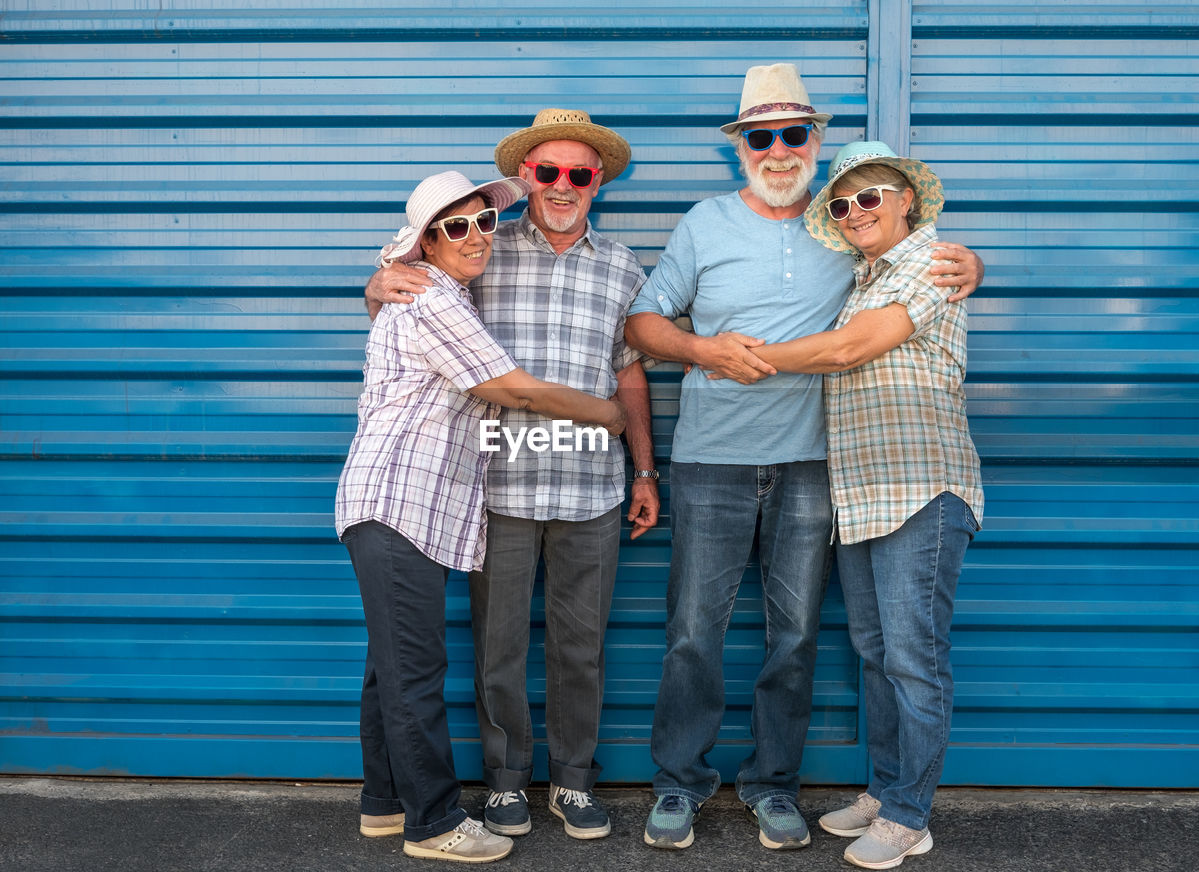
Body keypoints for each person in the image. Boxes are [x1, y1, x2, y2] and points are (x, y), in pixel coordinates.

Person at [623, 64, 984, 852]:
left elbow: (898, 299)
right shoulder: (706, 222)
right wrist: (702, 348)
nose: (779, 150)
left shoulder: (844, 234)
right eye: (762, 136)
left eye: (794, 134)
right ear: (742, 147)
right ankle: (679, 783)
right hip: (711, 461)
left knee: (796, 636)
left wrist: (973, 267)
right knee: (692, 631)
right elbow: (643, 326)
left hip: (820, 468)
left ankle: (774, 785)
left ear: (816, 142)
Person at [363, 109, 658, 841]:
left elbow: (630, 377)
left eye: (580, 174)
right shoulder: (484, 249)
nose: (563, 186)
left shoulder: (622, 266)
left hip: (592, 486)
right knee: (498, 648)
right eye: (549, 171)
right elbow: (410, 292)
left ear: (598, 183)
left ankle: (574, 782)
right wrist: (377, 282)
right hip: (496, 486)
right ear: (526, 177)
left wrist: (646, 468)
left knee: (581, 646)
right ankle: (502, 784)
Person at [743, 141, 983, 869]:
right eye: (842, 205)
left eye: (869, 197)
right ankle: (886, 790)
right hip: (864, 494)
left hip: (920, 488)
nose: (854, 213)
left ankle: (911, 815)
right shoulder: (864, 275)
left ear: (906, 199)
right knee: (876, 654)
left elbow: (852, 350)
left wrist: (739, 355)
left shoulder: (930, 261)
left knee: (914, 658)